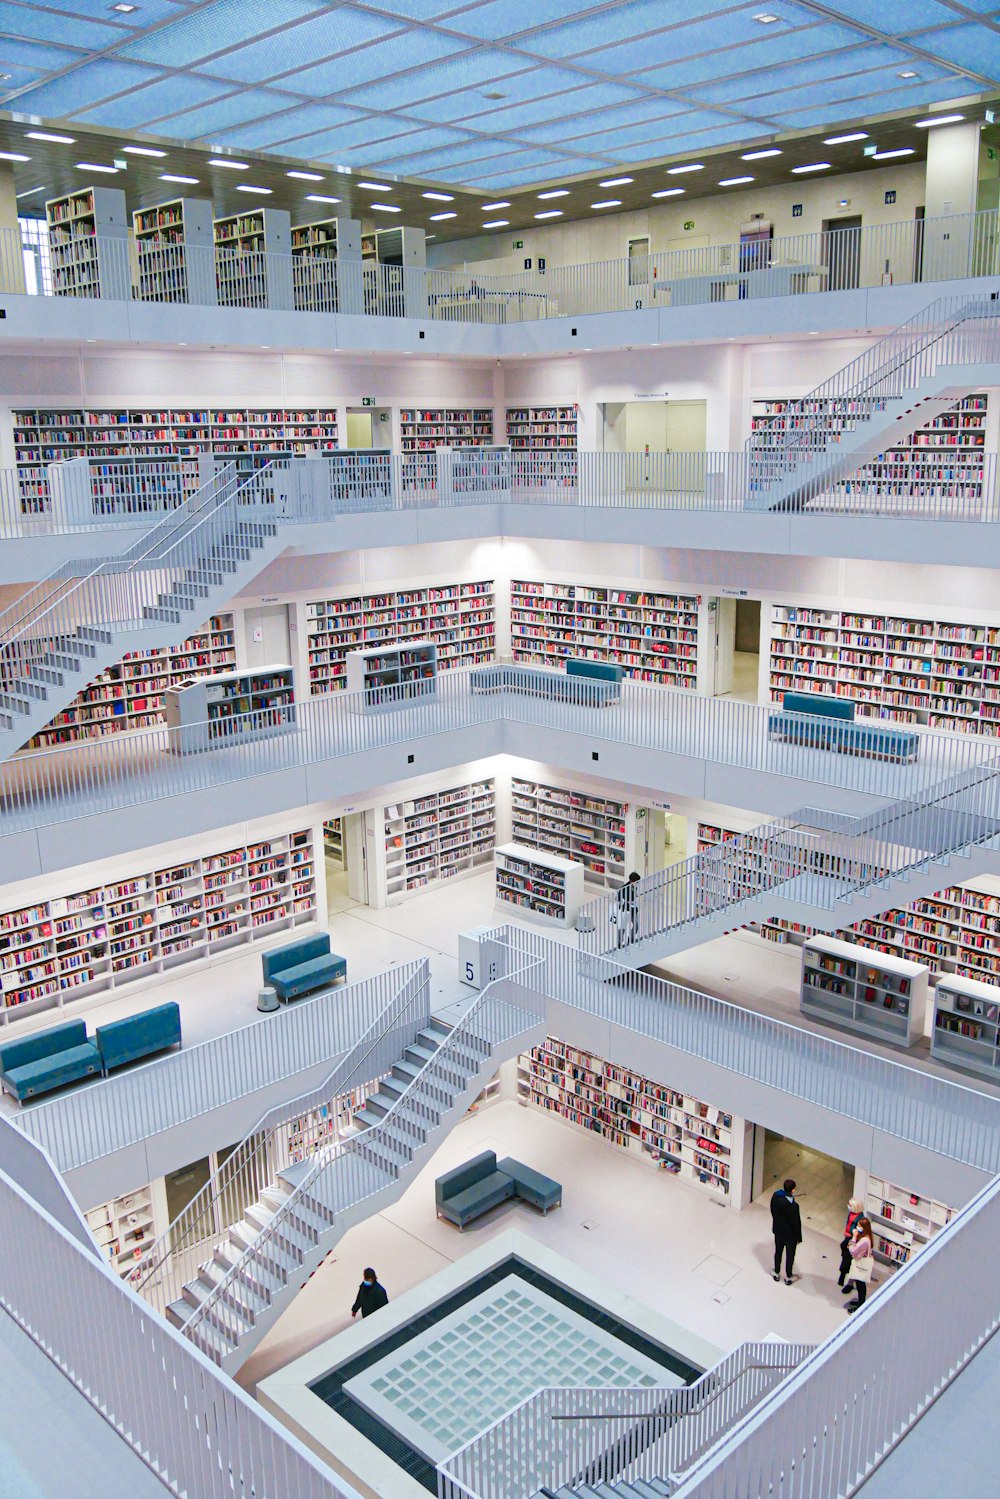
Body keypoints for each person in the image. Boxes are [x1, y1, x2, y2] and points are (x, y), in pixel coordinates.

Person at [769, 1178, 802, 1285]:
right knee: (790, 1255)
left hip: (778, 1231)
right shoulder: (794, 1207)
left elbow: (772, 1210)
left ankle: (776, 1271)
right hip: (790, 1236)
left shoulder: (775, 1197)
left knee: (778, 1252)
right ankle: (788, 1276)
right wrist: (798, 1238)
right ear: (793, 1190)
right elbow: (796, 1223)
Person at [845, 1217, 874, 1313]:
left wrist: (854, 1236)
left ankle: (861, 1304)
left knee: (860, 1285)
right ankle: (860, 1302)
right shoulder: (867, 1237)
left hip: (861, 1264)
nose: (857, 1227)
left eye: (859, 1226)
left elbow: (852, 1250)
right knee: (860, 1284)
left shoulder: (864, 1240)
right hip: (861, 1261)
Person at [837, 1197, 864, 1290]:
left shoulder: (861, 1220)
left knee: (849, 1262)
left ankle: (849, 1283)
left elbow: (858, 1232)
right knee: (845, 1258)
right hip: (848, 1238)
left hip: (853, 1241)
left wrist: (853, 1233)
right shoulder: (851, 1214)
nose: (848, 1206)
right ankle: (843, 1277)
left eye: (850, 1205)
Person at [616, 871, 641, 946]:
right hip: (626, 910)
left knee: (636, 924)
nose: (637, 883)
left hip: (633, 909)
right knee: (623, 926)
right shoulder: (624, 888)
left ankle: (631, 938)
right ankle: (619, 942)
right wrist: (626, 901)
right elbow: (618, 898)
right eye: (636, 881)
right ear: (632, 881)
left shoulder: (635, 887)